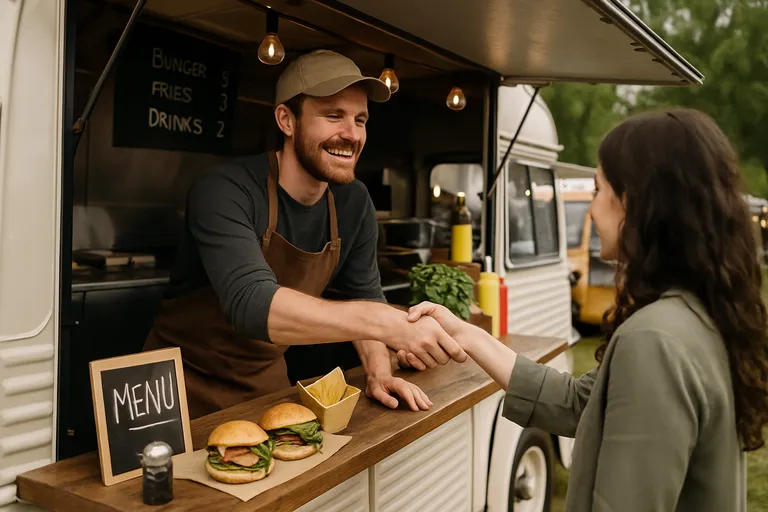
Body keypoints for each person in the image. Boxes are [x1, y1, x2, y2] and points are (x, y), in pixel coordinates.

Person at [404, 108, 768, 511]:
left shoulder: (653, 341)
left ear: (632, 203)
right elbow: (580, 403)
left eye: (597, 190)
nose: (592, 209)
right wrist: (466, 333)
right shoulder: (695, 315)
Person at [143, 49, 466, 420]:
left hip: (262, 387)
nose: (351, 134)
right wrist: (387, 323)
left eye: (360, 120)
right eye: (333, 116)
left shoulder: (354, 201)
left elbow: (363, 293)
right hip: (175, 390)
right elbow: (250, 303)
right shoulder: (225, 189)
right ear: (287, 120)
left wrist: (379, 371)